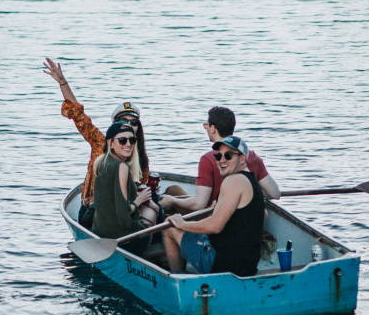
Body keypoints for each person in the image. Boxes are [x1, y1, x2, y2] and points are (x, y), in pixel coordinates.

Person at [43, 58, 153, 204]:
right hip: (94, 207)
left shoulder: (139, 154)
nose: (129, 125)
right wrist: (63, 83)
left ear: (138, 127)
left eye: (133, 122)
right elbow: (78, 114)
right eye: (123, 121)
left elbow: (140, 186)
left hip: (126, 208)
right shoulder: (100, 143)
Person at [165, 136, 265, 276]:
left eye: (228, 156)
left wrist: (181, 224)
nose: (222, 160)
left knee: (169, 228)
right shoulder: (251, 180)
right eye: (218, 156)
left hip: (223, 266)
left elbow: (214, 226)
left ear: (242, 158)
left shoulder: (233, 181)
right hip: (247, 265)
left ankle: (178, 279)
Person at [90, 119, 158, 242]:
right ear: (110, 143)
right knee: (153, 212)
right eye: (122, 140)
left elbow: (112, 202)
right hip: (122, 238)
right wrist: (139, 200)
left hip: (100, 231)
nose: (128, 144)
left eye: (132, 140)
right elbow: (124, 217)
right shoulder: (121, 167)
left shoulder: (101, 162)